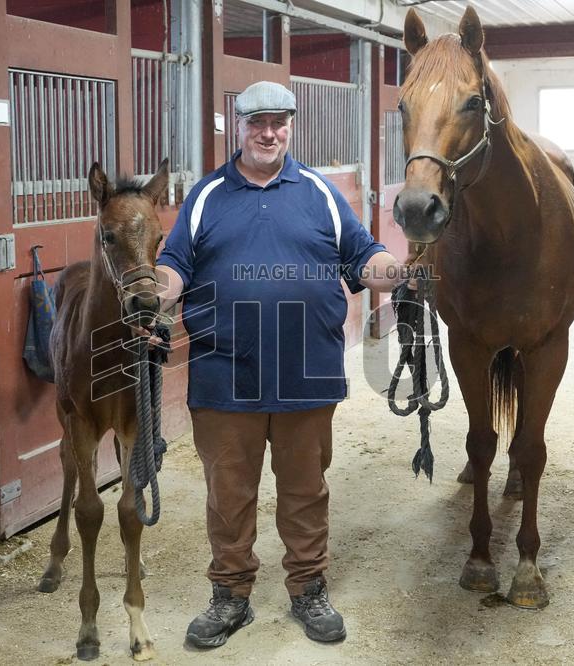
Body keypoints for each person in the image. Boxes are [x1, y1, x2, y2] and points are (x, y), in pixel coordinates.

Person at [153, 81, 405, 648]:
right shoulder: (207, 195)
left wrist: (396, 271)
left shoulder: (317, 191)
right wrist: (155, 293)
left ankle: (308, 588)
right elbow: (174, 264)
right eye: (257, 123)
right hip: (225, 374)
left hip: (307, 371)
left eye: (279, 123)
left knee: (305, 489)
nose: (269, 133)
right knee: (229, 491)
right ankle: (231, 594)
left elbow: (363, 255)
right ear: (238, 125)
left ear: (291, 125)